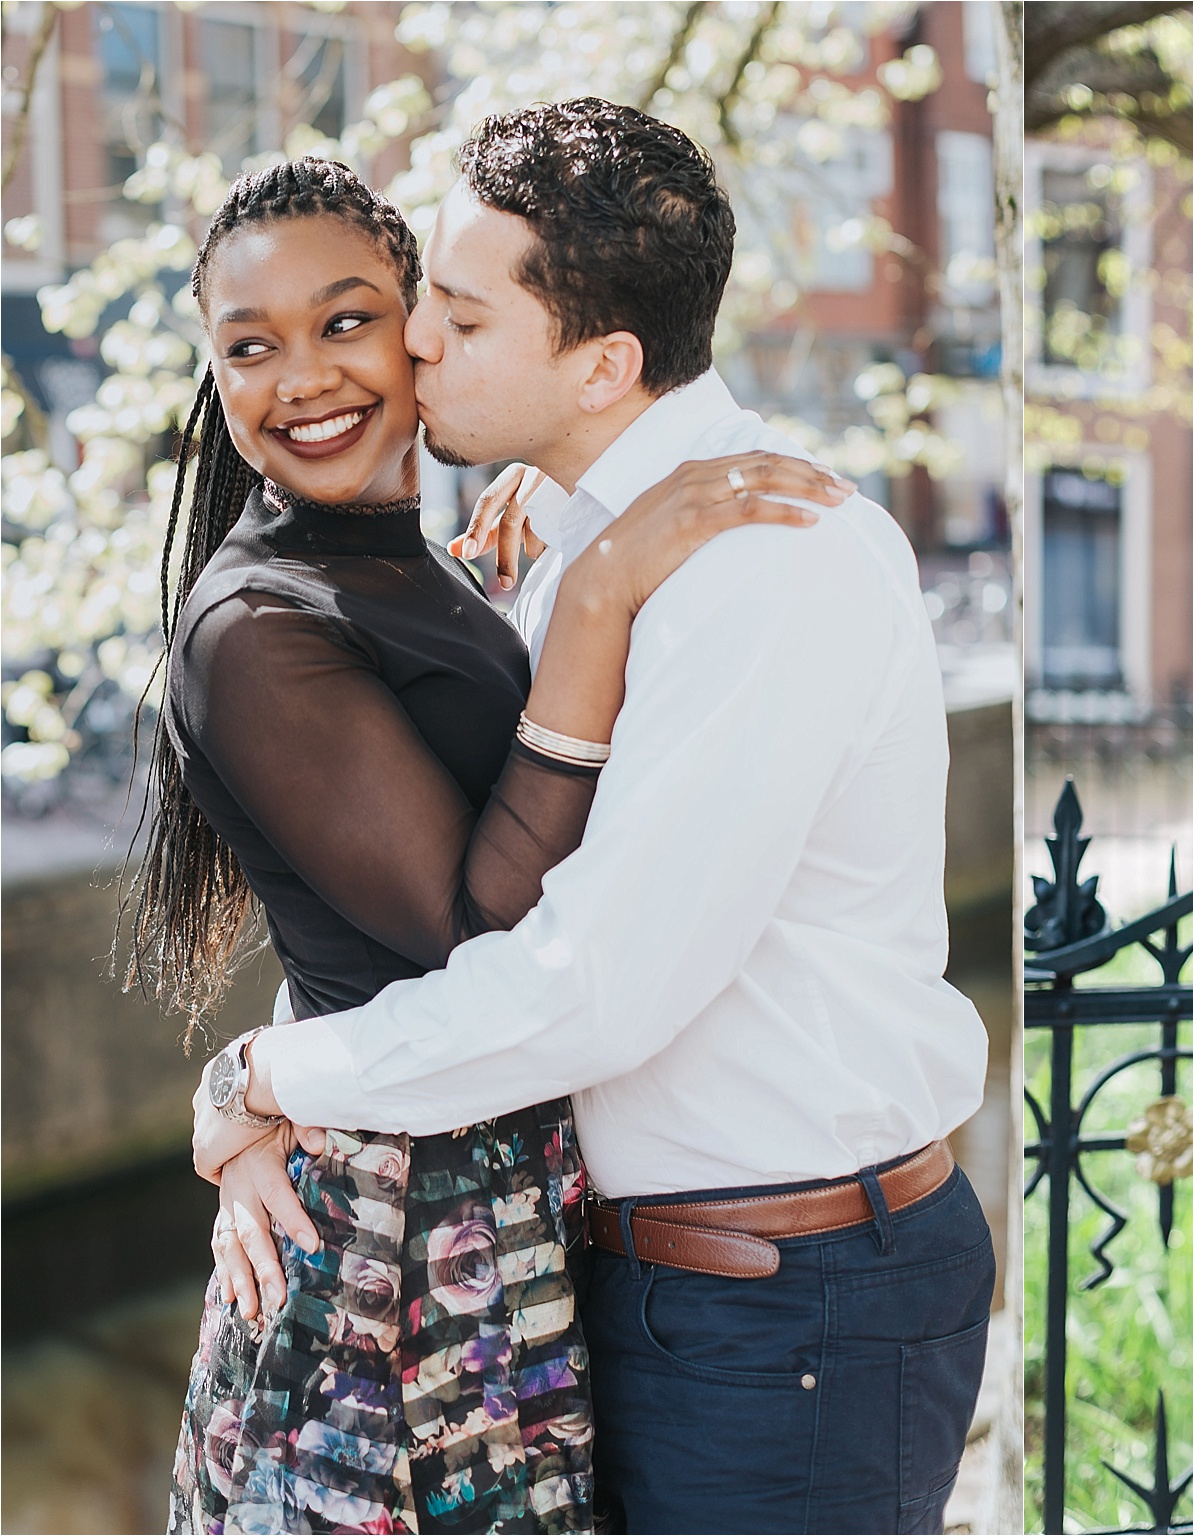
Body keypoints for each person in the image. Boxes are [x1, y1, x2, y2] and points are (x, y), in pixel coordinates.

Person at [189, 100, 996, 1535]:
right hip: (646, 1277)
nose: (416, 341)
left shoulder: (757, 565)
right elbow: (391, 861)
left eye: (460, 312)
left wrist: (272, 1075)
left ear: (603, 362)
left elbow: (589, 990)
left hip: (783, 1301)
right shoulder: (574, 545)